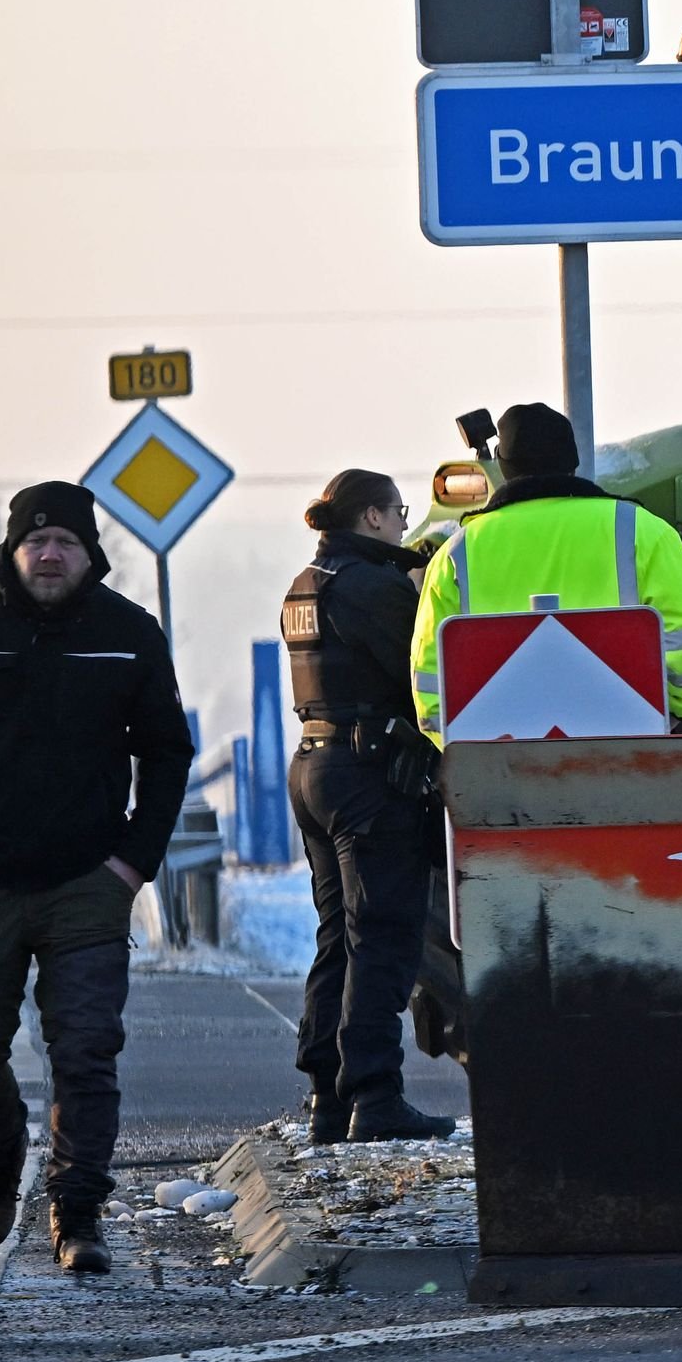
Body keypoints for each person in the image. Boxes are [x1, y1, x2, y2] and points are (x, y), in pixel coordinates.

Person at [0, 483, 190, 1272]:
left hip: (87, 879)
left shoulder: (127, 633)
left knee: (86, 1048)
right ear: (12, 551)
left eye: (66, 543)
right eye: (36, 541)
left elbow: (166, 752)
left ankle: (78, 1213)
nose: (50, 554)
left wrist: (132, 861)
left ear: (91, 555)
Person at [283, 470, 455, 1143]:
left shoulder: (307, 583)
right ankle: (376, 1097)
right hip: (367, 775)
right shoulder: (373, 588)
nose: (404, 526)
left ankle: (328, 1095)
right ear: (375, 517)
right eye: (399, 513)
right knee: (382, 938)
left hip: (313, 766)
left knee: (339, 934)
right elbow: (422, 669)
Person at [409, 403, 682, 736]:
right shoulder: (641, 531)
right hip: (624, 750)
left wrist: (473, 753)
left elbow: (431, 688)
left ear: (503, 467)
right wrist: (674, 711)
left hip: (503, 767)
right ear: (573, 462)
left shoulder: (455, 555)